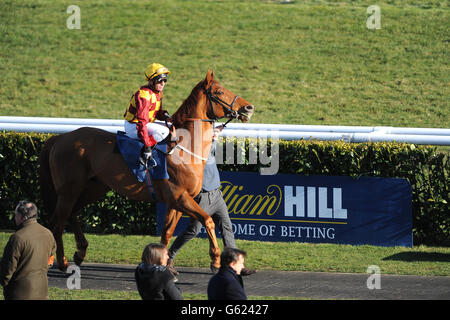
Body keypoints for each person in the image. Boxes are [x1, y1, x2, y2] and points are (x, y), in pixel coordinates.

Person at [167, 125, 256, 276]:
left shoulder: (207, 146)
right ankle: (169, 256)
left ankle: (235, 265)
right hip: (202, 198)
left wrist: (215, 135)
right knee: (193, 230)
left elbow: (211, 146)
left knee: (227, 228)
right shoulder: (195, 152)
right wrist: (213, 137)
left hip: (217, 196)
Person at [0, 200, 56, 300]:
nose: (15, 217)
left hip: (19, 293)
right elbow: (50, 261)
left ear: (22, 217)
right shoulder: (48, 234)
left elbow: (8, 268)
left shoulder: (17, 238)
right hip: (42, 292)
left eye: (16, 214)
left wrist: (4, 281)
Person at [123, 62, 173, 166]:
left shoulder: (158, 93)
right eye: (160, 80)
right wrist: (147, 145)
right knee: (164, 131)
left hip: (142, 124)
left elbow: (156, 114)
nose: (163, 83)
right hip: (134, 125)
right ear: (151, 81)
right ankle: (145, 151)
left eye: (165, 80)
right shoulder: (144, 96)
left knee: (171, 128)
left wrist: (166, 116)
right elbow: (142, 122)